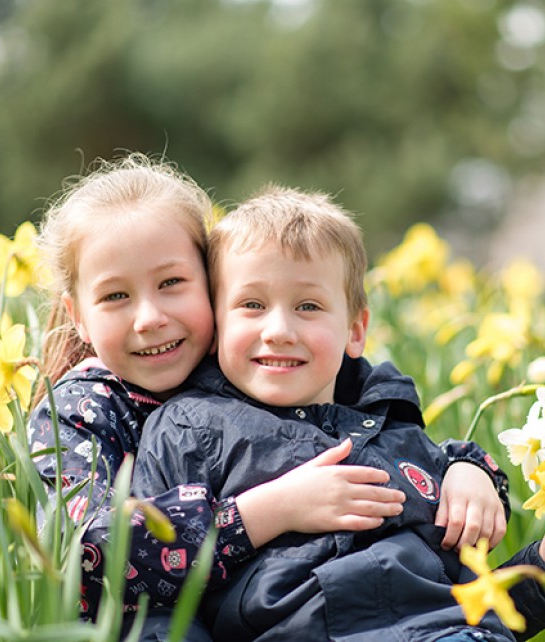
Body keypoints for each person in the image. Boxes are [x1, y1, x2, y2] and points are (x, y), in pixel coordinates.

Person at [28, 155, 509, 641]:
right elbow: (84, 550)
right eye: (115, 297)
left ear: (214, 289)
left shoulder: (261, 366)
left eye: (172, 283)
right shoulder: (80, 410)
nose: (149, 317)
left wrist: (471, 469)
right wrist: (267, 511)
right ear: (79, 316)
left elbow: (394, 443)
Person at [130, 185, 545, 641]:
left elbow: (465, 604)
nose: (278, 329)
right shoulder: (190, 428)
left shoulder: (401, 441)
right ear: (216, 323)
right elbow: (155, 585)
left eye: (308, 306)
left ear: (355, 331)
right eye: (252, 304)